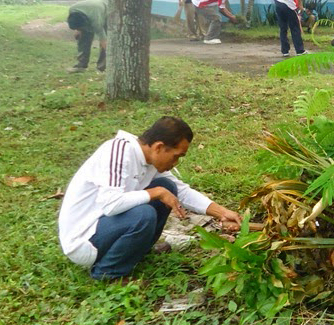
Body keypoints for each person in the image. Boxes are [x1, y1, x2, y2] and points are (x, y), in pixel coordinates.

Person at [58, 116, 242, 281]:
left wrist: (222, 212)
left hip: (106, 227)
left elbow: (181, 191)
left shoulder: (150, 161)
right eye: (176, 156)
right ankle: (108, 272)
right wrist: (155, 193)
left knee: (168, 187)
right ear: (159, 147)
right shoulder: (119, 151)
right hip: (85, 239)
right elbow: (110, 204)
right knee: (144, 212)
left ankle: (139, 251)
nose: (175, 163)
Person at [67, 0, 108, 73]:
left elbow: (103, 40)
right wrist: (78, 30)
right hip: (88, 12)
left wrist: (108, 50)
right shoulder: (72, 10)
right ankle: (81, 65)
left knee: (105, 43)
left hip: (105, 14)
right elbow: (76, 20)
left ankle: (102, 67)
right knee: (82, 38)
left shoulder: (96, 21)